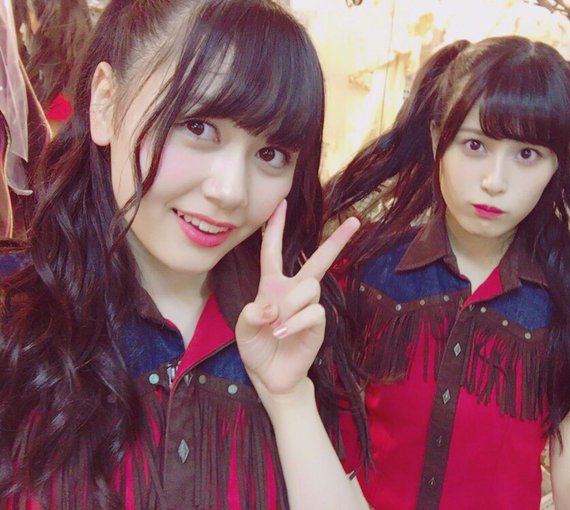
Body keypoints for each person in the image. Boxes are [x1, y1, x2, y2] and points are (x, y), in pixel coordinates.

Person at [0, 1, 369, 508]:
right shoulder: (15, 314)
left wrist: (290, 400)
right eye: (197, 127)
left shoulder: (295, 324)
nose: (231, 191)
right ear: (105, 101)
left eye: (271, 154)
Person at [326, 36, 570, 510]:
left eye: (527, 154)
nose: (494, 181)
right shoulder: (364, 268)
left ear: (557, 164)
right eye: (474, 144)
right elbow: (330, 441)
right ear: (437, 139)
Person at [12, 0, 92, 130]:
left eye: (26, 15)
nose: (21, 28)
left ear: (47, 21)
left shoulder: (58, 103)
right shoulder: (80, 76)